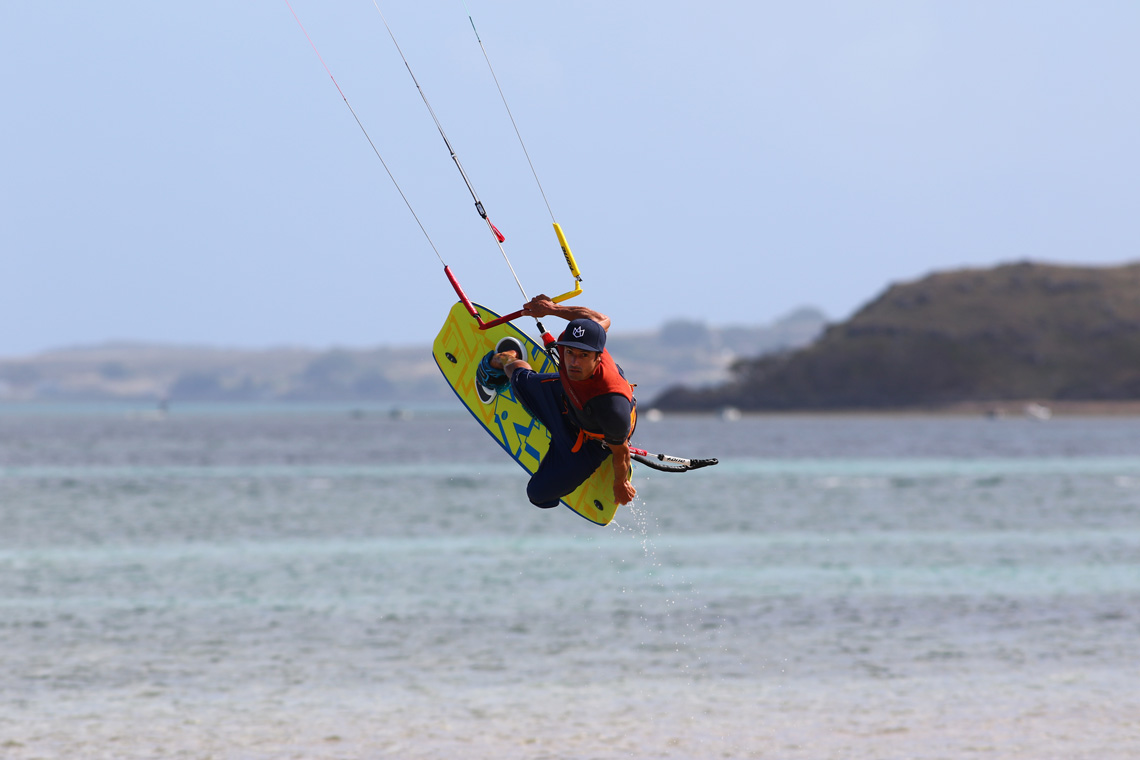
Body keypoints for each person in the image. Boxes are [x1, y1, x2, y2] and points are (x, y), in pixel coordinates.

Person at [479, 295, 637, 508]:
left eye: (583, 356)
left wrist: (620, 482)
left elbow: (621, 452)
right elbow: (600, 318)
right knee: (519, 380)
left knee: (538, 494)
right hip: (567, 397)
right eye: (570, 352)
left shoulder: (611, 404)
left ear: (597, 358)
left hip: (592, 439)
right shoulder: (568, 344)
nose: (573, 362)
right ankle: (506, 356)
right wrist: (552, 309)